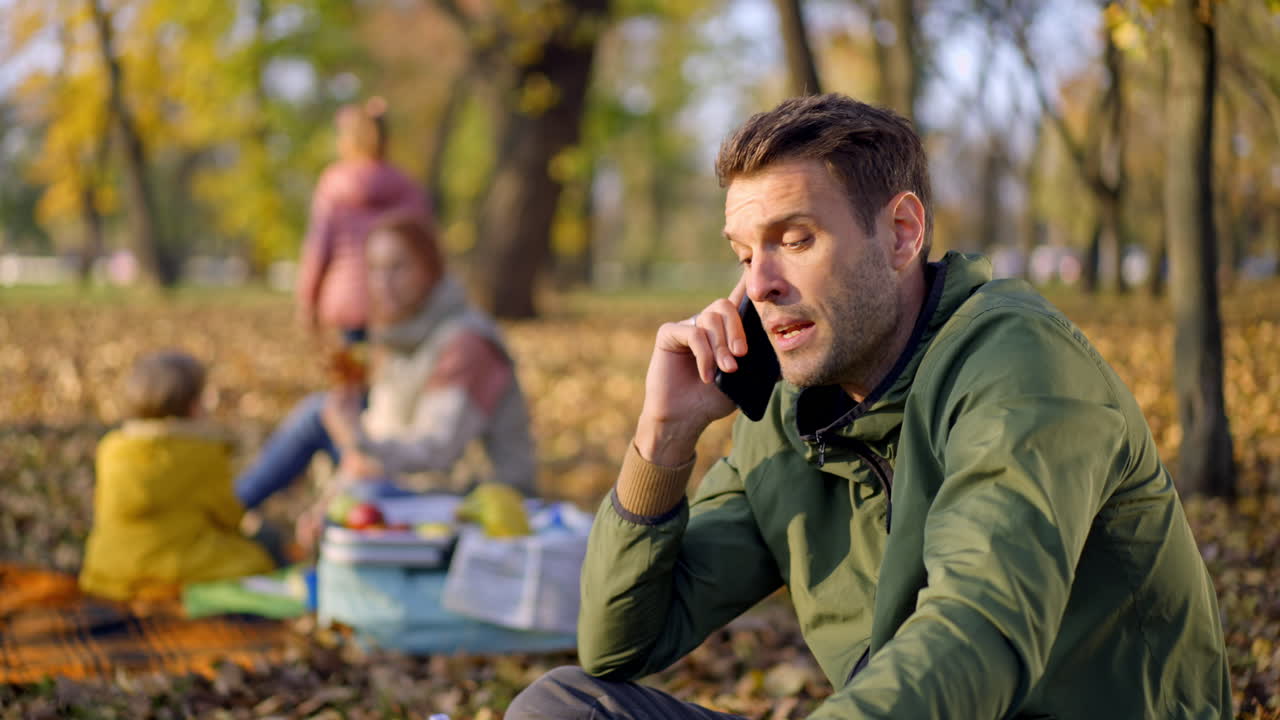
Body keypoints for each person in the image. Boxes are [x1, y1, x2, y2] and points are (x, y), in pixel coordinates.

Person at [509, 94, 1230, 719]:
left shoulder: (1021, 366)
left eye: (795, 240)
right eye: (742, 253)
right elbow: (620, 644)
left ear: (903, 234)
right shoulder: (785, 417)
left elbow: (976, 633)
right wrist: (662, 441)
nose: (759, 284)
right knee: (564, 707)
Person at [236, 212, 537, 543]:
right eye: (375, 269)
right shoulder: (400, 332)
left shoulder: (466, 343)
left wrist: (354, 441)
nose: (383, 282)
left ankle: (232, 518)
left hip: (476, 498)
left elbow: (436, 452)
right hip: (414, 480)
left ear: (431, 269)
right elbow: (384, 430)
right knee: (318, 414)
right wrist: (336, 490)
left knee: (354, 495)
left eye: (398, 267)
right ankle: (232, 512)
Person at [80, 351, 277, 602]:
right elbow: (228, 517)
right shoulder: (201, 452)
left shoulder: (111, 448)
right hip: (176, 570)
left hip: (107, 571)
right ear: (194, 405)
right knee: (259, 555)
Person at [296, 96, 431, 344]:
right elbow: (425, 248)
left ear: (347, 141)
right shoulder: (407, 186)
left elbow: (318, 248)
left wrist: (308, 302)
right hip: (397, 298)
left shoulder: (333, 184)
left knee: (353, 371)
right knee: (395, 370)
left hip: (347, 299)